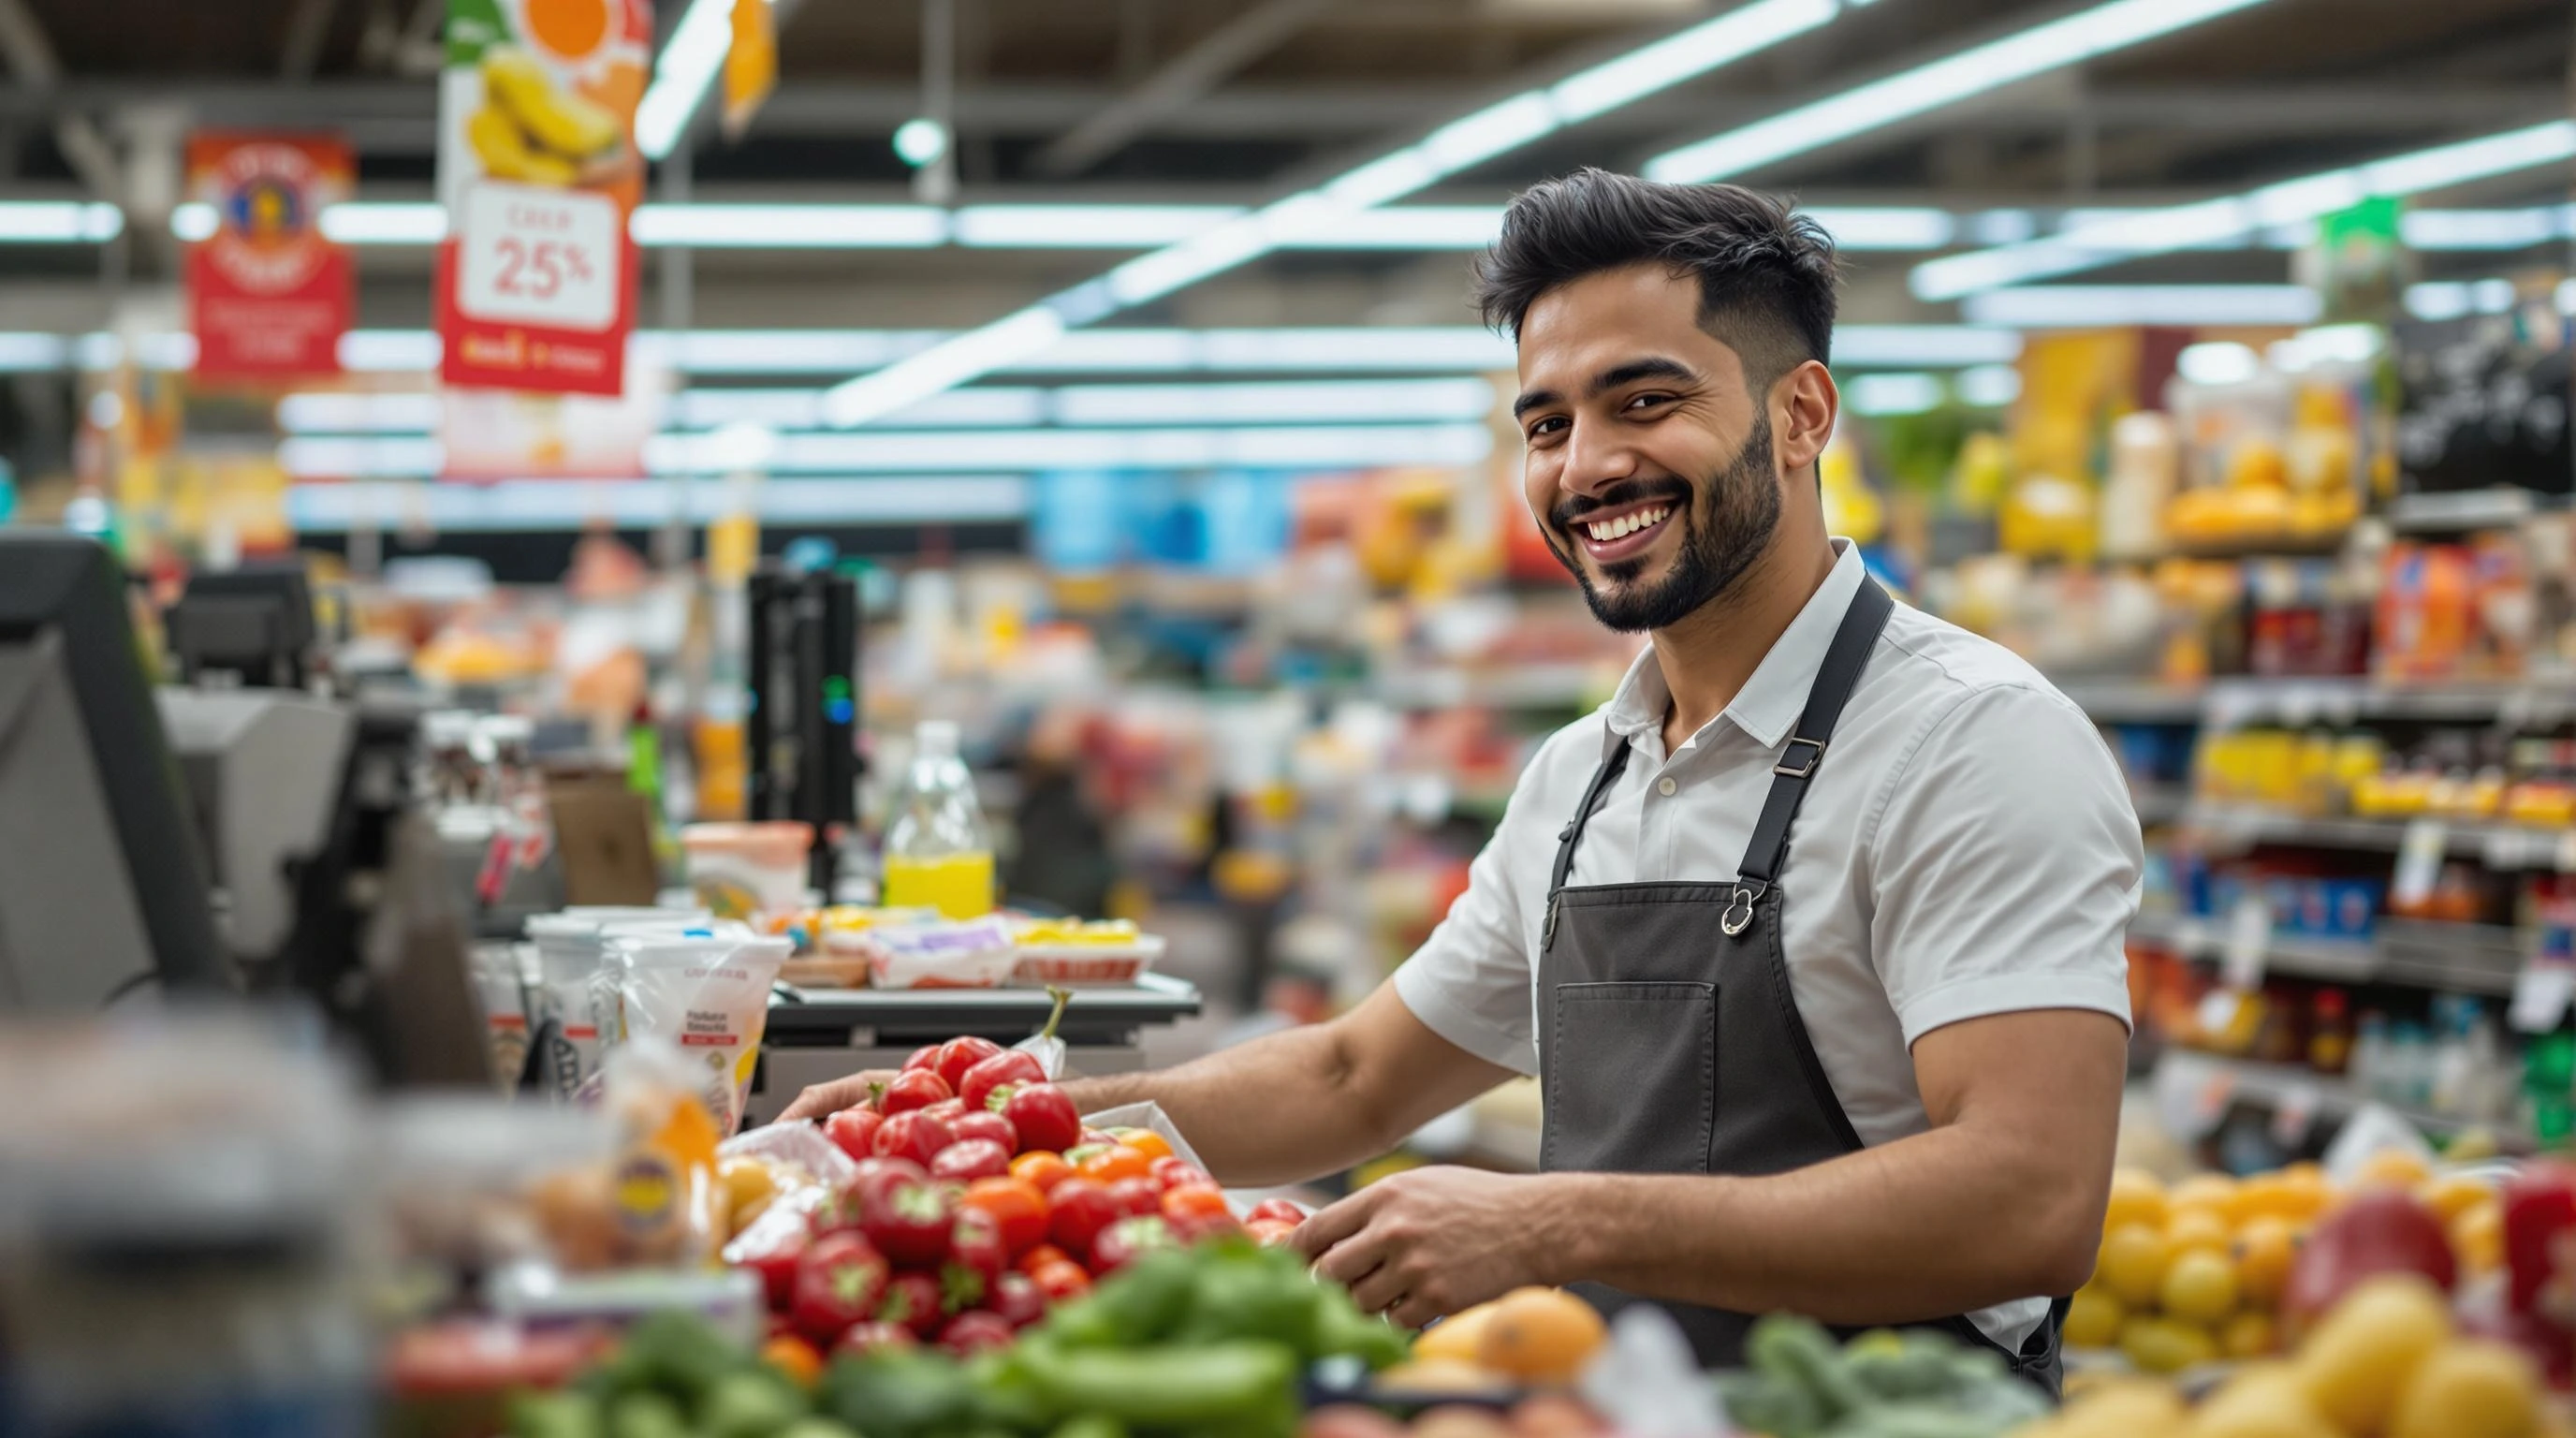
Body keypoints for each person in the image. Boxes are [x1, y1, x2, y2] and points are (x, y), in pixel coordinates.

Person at [783, 169, 2139, 1392]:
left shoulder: (1971, 743)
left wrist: (1551, 1218)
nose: (1588, 465)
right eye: (1545, 423)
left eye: (1647, 401)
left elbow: (2027, 1196)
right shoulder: (1586, 777)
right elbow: (1350, 1077)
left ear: (1801, 412)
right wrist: (978, 1130)